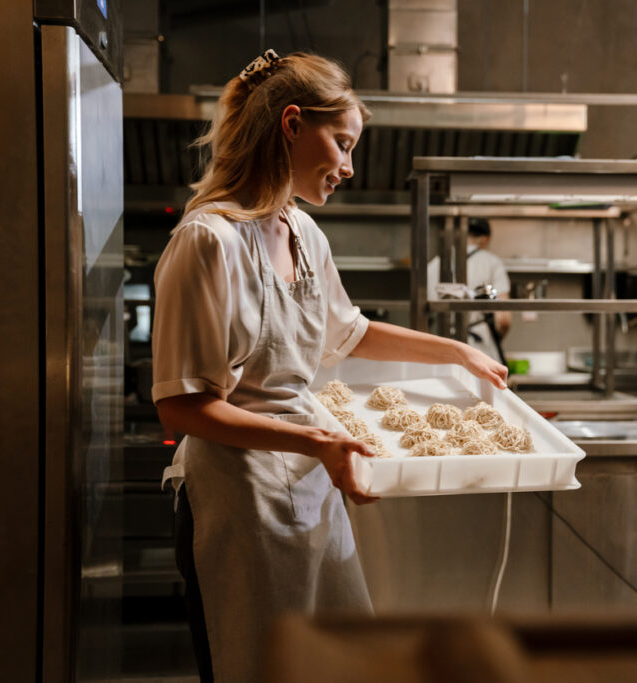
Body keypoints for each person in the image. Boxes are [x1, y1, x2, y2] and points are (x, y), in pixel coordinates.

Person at [150, 50, 507, 682]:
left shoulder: (305, 235)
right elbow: (182, 405)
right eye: (341, 144)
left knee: (333, 664)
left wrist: (457, 351)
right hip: (237, 501)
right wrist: (320, 440)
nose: (348, 166)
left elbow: (351, 331)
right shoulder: (209, 241)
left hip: (313, 488)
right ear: (292, 125)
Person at [427, 217, 512, 363]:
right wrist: (497, 338)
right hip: (480, 349)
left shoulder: (435, 264)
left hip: (442, 345)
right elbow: (503, 320)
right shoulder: (492, 263)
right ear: (485, 239)